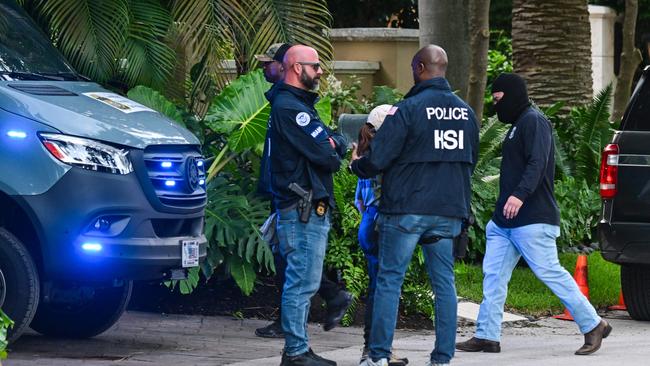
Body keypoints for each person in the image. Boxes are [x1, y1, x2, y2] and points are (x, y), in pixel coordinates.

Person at [455, 73, 612, 356]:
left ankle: (593, 324)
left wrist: (519, 195)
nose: (496, 105)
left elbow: (538, 162)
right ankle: (487, 335)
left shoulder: (534, 121)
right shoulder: (518, 124)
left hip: (533, 218)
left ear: (513, 95)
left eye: (499, 99)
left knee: (549, 271)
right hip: (505, 223)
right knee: (493, 277)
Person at [350, 45, 479, 366]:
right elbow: (471, 161)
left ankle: (378, 356)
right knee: (445, 285)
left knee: (390, 280)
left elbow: (378, 159)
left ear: (420, 67)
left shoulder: (407, 109)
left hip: (406, 211)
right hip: (449, 211)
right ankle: (442, 359)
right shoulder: (466, 113)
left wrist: (356, 165)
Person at [255, 43, 352, 340]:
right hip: (301, 204)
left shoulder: (297, 106)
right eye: (316, 66)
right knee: (301, 280)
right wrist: (332, 146)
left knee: (301, 278)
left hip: (301, 203)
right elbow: (328, 154)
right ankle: (297, 351)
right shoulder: (290, 107)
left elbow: (332, 146)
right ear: (298, 68)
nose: (321, 72)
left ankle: (298, 347)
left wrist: (332, 145)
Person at [354, 105, 408, 366]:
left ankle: (378, 348)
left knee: (378, 287)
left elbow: (359, 202)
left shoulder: (364, 156)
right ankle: (374, 350)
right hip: (381, 224)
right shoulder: (383, 157)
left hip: (368, 222)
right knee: (382, 289)